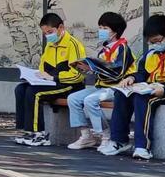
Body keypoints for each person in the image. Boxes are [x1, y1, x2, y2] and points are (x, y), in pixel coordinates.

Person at [107, 15, 165, 160]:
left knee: (142, 98)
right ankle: (119, 140)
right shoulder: (151, 54)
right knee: (121, 94)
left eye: (157, 41)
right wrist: (131, 78)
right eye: (151, 42)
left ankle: (142, 146)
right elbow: (142, 73)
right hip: (149, 87)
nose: (154, 44)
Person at [65, 12, 135, 151]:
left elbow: (117, 72)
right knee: (73, 98)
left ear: (115, 31)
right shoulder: (104, 50)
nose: (101, 31)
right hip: (101, 87)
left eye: (105, 28)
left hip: (116, 88)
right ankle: (86, 135)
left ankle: (105, 135)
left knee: (90, 100)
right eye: (100, 27)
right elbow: (99, 72)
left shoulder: (123, 48)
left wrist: (98, 68)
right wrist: (86, 68)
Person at [15, 13, 87, 146]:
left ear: (61, 28)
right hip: (52, 83)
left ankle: (39, 134)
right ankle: (25, 130)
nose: (48, 36)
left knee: (34, 93)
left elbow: (78, 75)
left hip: (70, 85)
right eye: (45, 33)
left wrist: (54, 77)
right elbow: (43, 67)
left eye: (50, 32)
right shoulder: (50, 45)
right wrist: (37, 76)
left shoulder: (73, 45)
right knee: (20, 89)